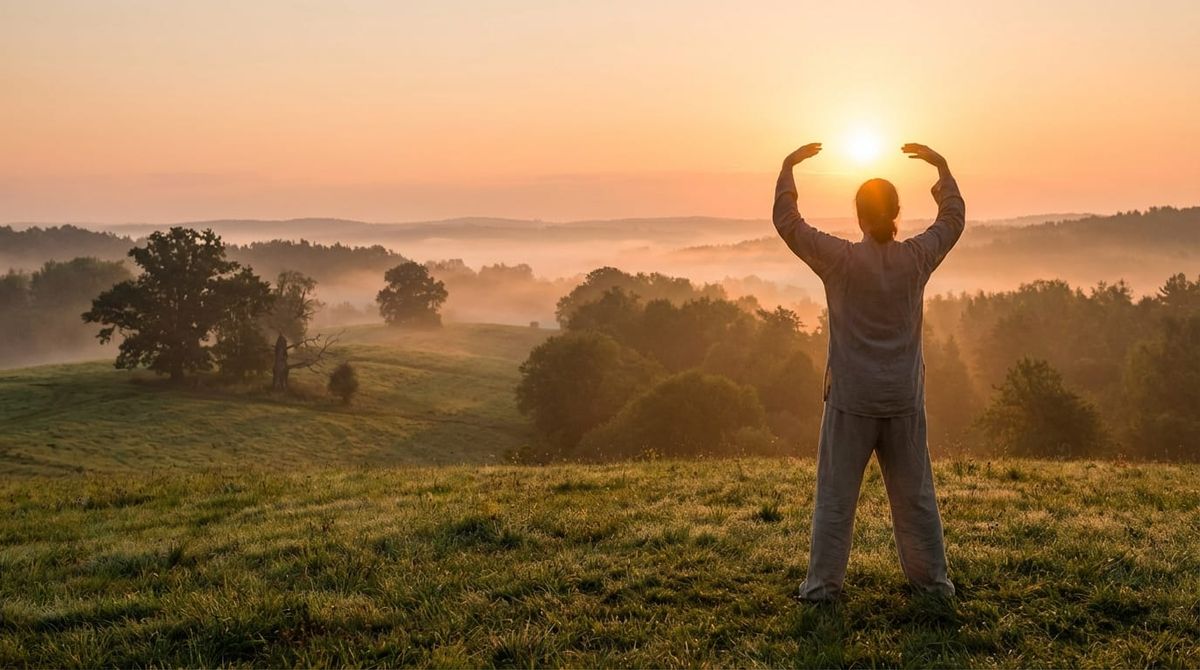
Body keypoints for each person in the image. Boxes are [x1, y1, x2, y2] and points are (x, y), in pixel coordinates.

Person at [773, 141, 965, 601]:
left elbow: (789, 224)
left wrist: (787, 170)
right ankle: (933, 585)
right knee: (915, 498)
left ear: (859, 216)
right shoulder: (916, 258)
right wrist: (942, 171)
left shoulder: (840, 260)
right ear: (898, 212)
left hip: (851, 400)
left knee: (836, 498)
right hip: (902, 397)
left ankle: (822, 588)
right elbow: (951, 222)